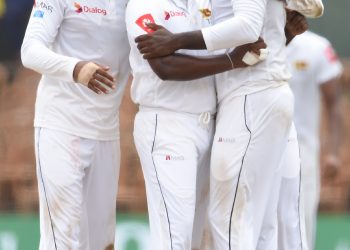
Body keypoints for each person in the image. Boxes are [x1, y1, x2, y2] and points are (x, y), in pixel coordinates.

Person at [134, 1, 309, 249]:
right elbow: (255, 39)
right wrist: (283, 32)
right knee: (264, 222)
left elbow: (247, 28)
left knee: (229, 219)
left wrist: (176, 41)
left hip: (251, 99)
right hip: (258, 97)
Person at [21, 0, 130, 249]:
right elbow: (29, 50)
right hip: (61, 126)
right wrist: (75, 68)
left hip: (106, 131)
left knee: (102, 242)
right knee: (63, 239)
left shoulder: (131, 3)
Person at [286, 30, 343, 250]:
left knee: (301, 223)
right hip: (259, 149)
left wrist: (333, 153)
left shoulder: (317, 47)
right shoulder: (252, 40)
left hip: (303, 151)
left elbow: (334, 104)